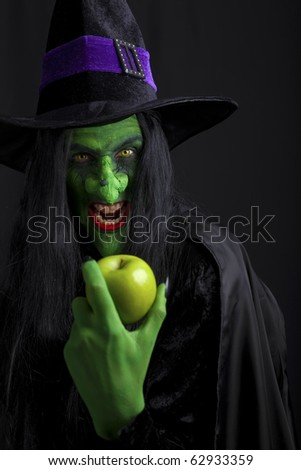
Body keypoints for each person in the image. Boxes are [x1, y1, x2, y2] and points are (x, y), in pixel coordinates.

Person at [0, 0, 296, 450]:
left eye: (126, 154)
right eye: (81, 156)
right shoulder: (37, 267)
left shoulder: (203, 276)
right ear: (53, 172)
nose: (108, 183)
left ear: (151, 156)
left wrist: (123, 421)